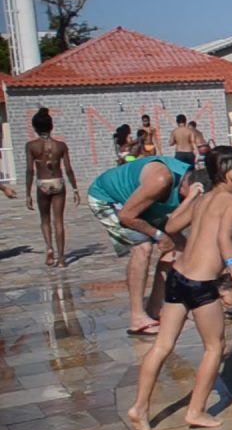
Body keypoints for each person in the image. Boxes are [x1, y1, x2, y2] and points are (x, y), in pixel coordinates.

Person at [127, 147, 232, 430]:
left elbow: (171, 225)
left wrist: (192, 197)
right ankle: (196, 411)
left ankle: (140, 407)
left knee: (162, 345)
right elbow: (224, 240)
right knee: (214, 347)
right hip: (201, 285)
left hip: (177, 277)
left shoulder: (204, 199)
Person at [87, 155, 209, 335]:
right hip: (110, 199)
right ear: (191, 188)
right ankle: (137, 318)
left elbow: (176, 226)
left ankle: (154, 308)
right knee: (142, 248)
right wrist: (158, 235)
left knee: (181, 247)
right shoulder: (161, 180)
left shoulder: (188, 178)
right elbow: (127, 216)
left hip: (142, 203)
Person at [24, 108, 80, 267]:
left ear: (35, 127)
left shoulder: (31, 146)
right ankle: (62, 259)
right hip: (58, 182)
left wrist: (27, 193)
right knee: (59, 221)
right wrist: (75, 188)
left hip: (42, 182)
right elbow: (69, 169)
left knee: (45, 219)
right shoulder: (61, 146)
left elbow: (29, 170)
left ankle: (49, 248)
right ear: (51, 126)